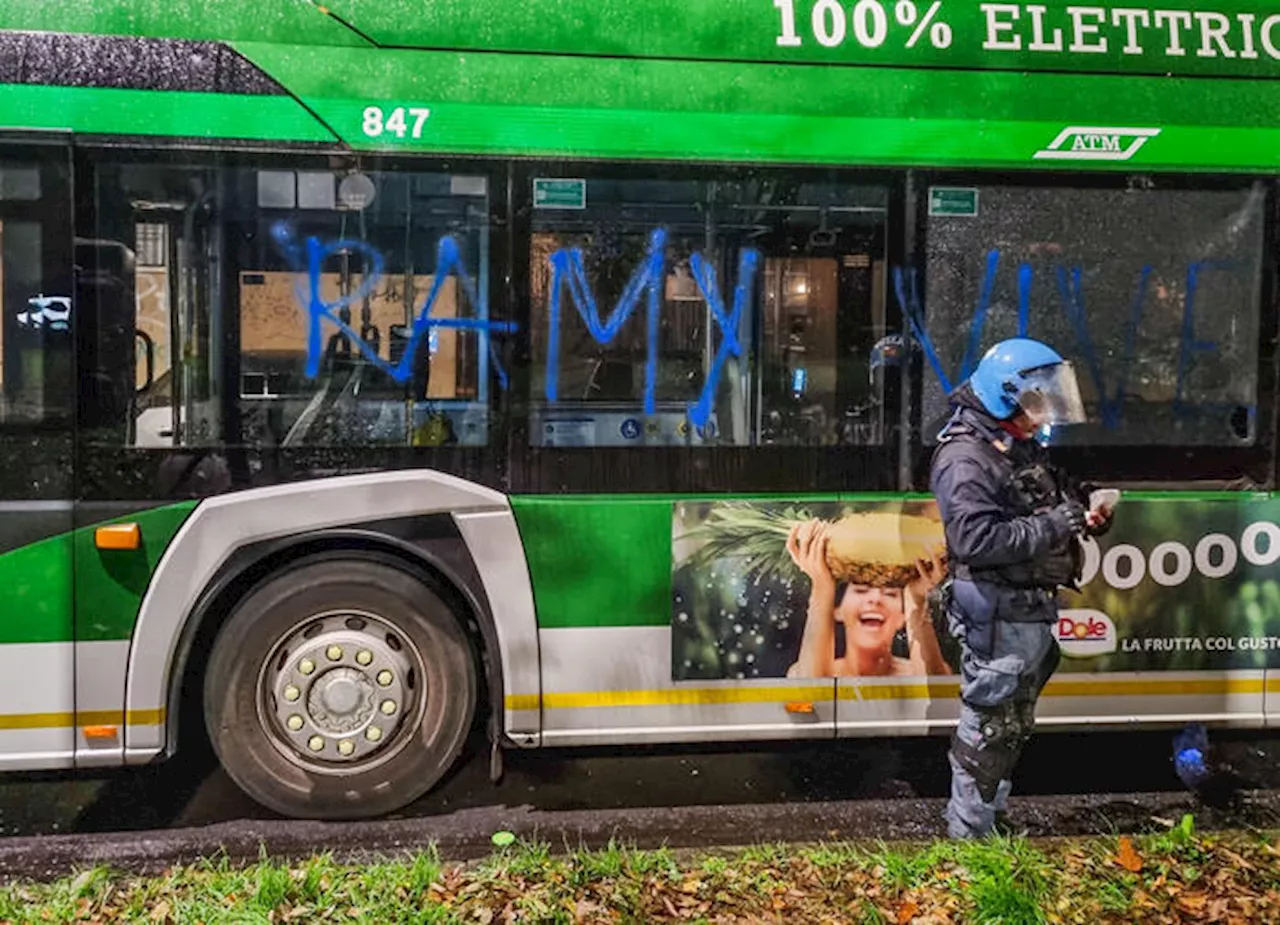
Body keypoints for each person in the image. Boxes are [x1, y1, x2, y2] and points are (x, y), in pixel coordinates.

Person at [929, 338, 1114, 839]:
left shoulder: (1014, 441)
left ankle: (988, 823)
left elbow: (1049, 490)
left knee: (1010, 726)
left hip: (1024, 607)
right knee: (990, 726)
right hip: (995, 609)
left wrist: (1085, 506)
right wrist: (1056, 524)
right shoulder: (965, 455)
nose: (1047, 408)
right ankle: (970, 838)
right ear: (1008, 395)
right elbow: (975, 539)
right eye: (1039, 396)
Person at [785, 519, 950, 678]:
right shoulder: (807, 670)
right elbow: (811, 694)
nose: (875, 599)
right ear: (837, 611)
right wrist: (822, 587)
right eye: (861, 591)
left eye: (890, 594)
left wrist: (916, 597)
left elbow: (936, 695)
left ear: (902, 617)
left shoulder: (918, 672)